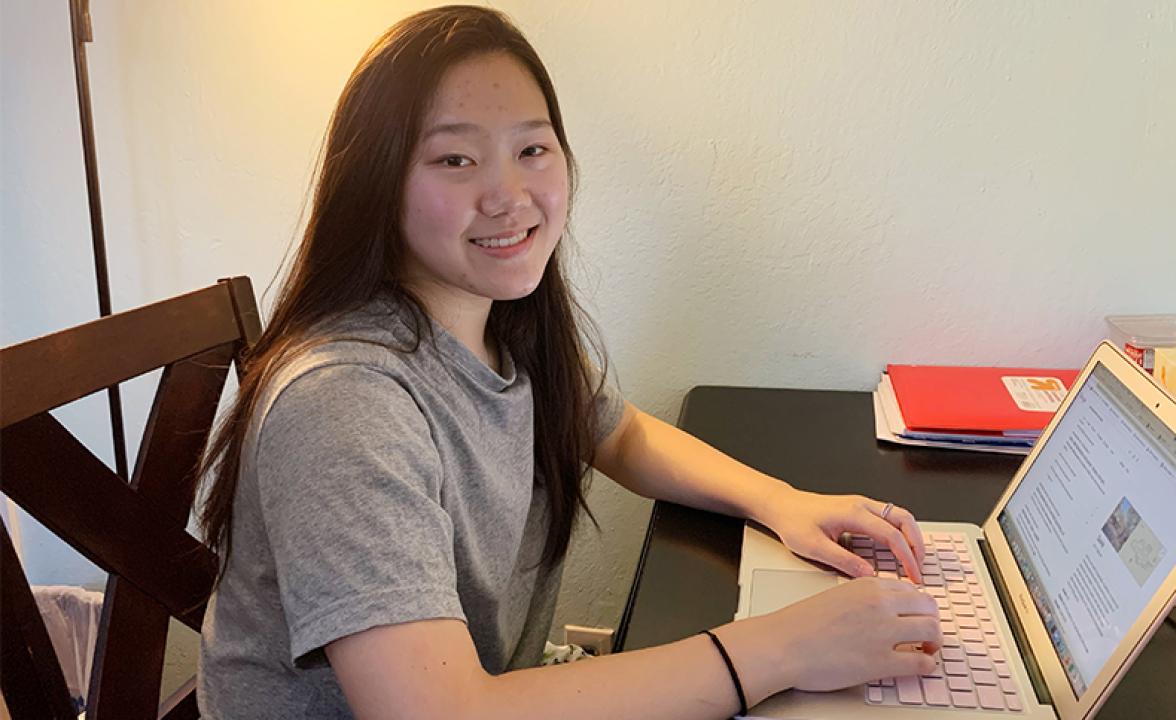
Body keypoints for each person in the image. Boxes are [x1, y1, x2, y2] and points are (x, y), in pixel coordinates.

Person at [196, 6, 941, 719]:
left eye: (532, 149)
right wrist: (786, 649)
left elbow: (617, 434)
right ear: (377, 182)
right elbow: (441, 713)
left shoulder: (508, 323)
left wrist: (781, 502)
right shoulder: (346, 402)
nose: (510, 195)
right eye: (455, 159)